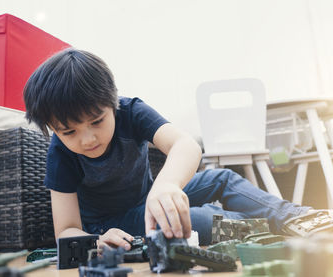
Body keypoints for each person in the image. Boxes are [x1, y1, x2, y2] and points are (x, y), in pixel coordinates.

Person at [23, 48, 317, 249]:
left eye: (97, 121)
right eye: (69, 131)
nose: (86, 139)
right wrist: (95, 241)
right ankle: (268, 229)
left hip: (150, 194)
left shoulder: (131, 111)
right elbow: (66, 230)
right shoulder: (60, 153)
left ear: (113, 103)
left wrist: (166, 185)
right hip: (111, 223)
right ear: (53, 128)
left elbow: (185, 144)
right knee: (198, 220)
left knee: (222, 178)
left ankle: (297, 216)